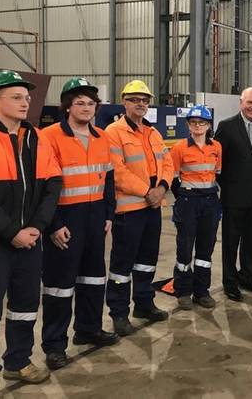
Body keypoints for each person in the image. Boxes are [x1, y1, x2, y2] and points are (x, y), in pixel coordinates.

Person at [40, 78, 118, 371]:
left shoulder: (102, 137)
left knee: (94, 278)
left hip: (96, 216)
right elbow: (44, 186)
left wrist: (109, 213)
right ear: (68, 107)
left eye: (91, 103)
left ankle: (88, 329)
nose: (86, 108)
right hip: (65, 219)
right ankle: (55, 344)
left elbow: (108, 177)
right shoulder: (49, 137)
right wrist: (53, 224)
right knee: (59, 286)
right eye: (80, 103)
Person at [0, 70, 62, 384]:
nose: (26, 103)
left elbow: (53, 183)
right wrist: (12, 232)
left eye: (27, 97)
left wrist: (37, 226)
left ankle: (18, 362)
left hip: (30, 239)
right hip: (2, 241)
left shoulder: (35, 137)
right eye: (16, 97)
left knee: (24, 305)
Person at [105, 80, 174, 336]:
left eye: (144, 100)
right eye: (135, 100)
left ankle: (144, 304)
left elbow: (167, 164)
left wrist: (162, 188)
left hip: (152, 208)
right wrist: (148, 192)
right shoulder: (113, 132)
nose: (141, 104)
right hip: (129, 210)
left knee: (147, 261)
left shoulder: (153, 133)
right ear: (125, 102)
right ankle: (119, 313)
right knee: (122, 265)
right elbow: (117, 172)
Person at [214, 87, 252, 302]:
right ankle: (230, 283)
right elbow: (218, 162)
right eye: (250, 103)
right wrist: (228, 187)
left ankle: (247, 277)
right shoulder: (227, 127)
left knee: (251, 242)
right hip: (234, 198)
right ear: (241, 103)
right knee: (231, 243)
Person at [169, 105, 222, 310]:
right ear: (188, 125)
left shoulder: (216, 147)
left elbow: (217, 173)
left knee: (205, 248)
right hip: (188, 201)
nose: (197, 126)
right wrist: (183, 197)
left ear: (208, 125)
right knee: (184, 248)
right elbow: (173, 178)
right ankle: (183, 291)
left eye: (202, 123)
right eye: (193, 123)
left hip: (209, 201)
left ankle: (202, 291)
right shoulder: (179, 148)